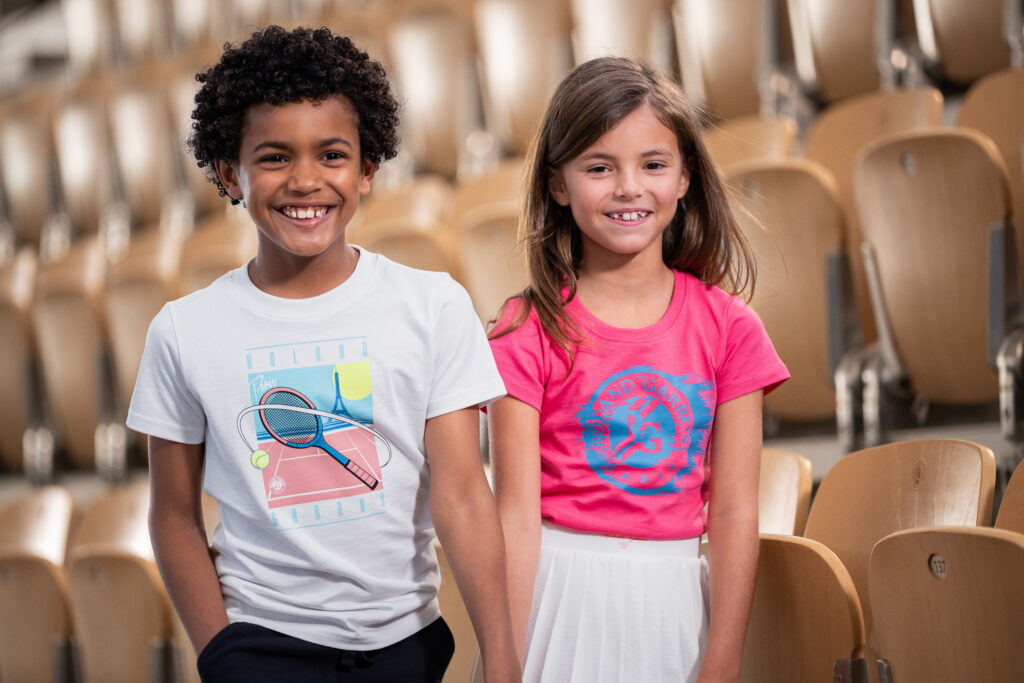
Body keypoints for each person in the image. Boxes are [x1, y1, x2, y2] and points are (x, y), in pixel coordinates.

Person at [128, 26, 519, 683]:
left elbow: (463, 496)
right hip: (260, 649)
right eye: (274, 157)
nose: (306, 180)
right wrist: (220, 653)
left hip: (409, 644)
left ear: (367, 169)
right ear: (229, 174)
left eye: (332, 155)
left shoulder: (434, 306)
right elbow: (172, 515)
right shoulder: (182, 331)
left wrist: (502, 657)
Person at [487, 56, 790, 683]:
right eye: (600, 167)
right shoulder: (525, 327)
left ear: (684, 178)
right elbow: (515, 515)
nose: (629, 187)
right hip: (555, 598)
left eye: (653, 165)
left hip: (675, 604)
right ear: (558, 184)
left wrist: (724, 658)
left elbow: (734, 512)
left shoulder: (731, 327)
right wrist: (504, 660)